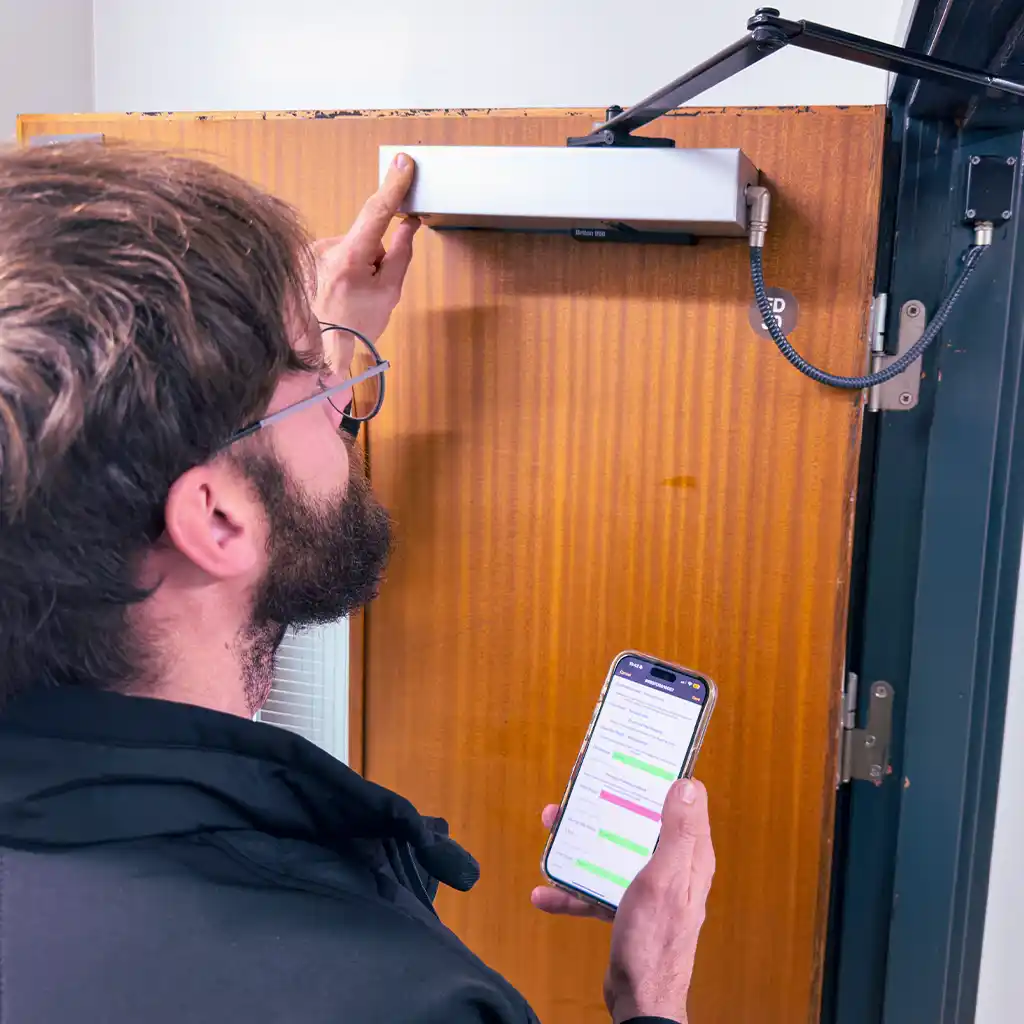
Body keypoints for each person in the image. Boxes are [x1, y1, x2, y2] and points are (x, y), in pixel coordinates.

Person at [0, 142, 715, 1023]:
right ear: (216, 520)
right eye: (313, 384)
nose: (344, 394)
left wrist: (309, 361)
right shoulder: (402, 1001)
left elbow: (258, 510)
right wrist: (652, 995)